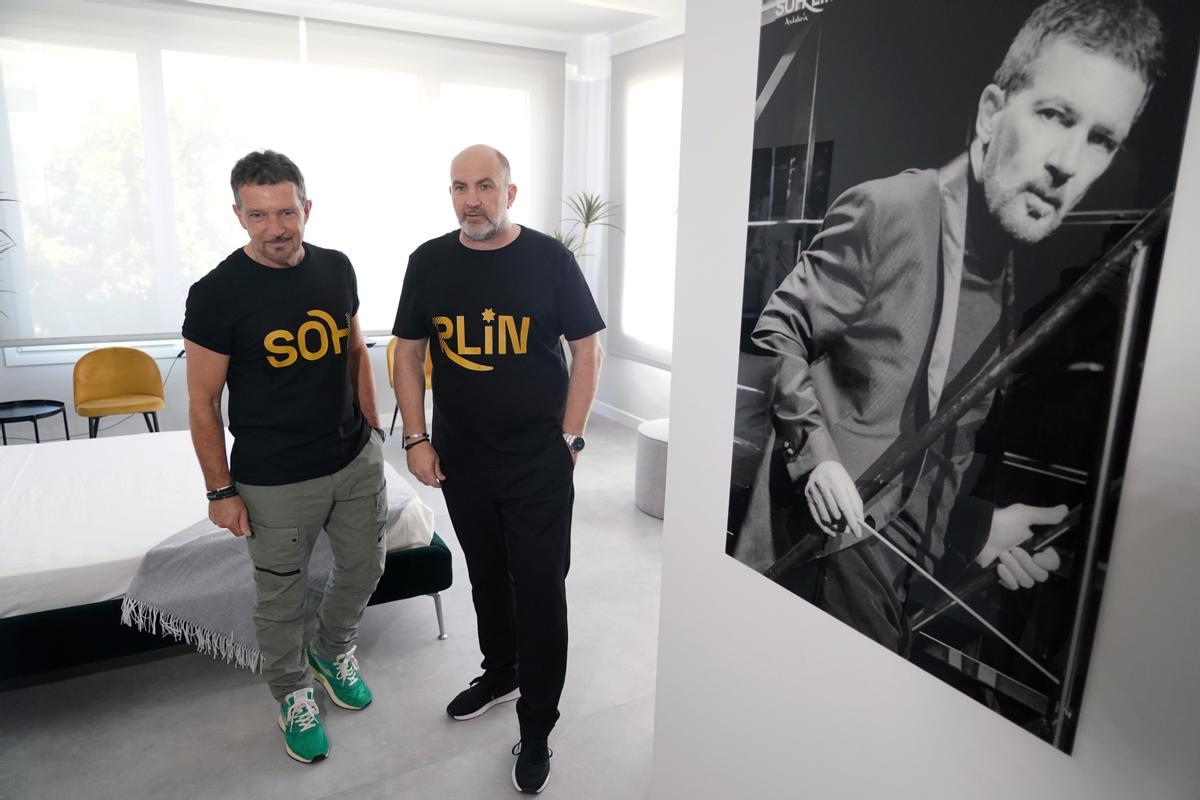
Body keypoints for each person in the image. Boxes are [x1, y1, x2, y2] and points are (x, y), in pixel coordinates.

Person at [732, 0, 1165, 653]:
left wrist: (978, 528)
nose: (1068, 164)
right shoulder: (895, 209)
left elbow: (932, 451)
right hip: (816, 558)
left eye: (1101, 139)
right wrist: (817, 461)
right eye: (1055, 115)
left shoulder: (1010, 274)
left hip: (895, 571)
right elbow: (780, 327)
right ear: (992, 110)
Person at [391, 144, 604, 795]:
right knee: (487, 577)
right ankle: (500, 668)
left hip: (538, 460)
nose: (471, 199)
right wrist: (417, 439)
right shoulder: (428, 262)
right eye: (459, 187)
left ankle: (536, 723)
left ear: (510, 192)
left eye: (485, 186)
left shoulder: (549, 260)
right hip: (461, 457)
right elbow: (407, 354)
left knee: (539, 589)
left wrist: (570, 438)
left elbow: (588, 348)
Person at [183, 150, 387, 764]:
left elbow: (354, 353)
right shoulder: (217, 293)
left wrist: (373, 430)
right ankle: (293, 692)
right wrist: (221, 491)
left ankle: (332, 650)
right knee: (281, 598)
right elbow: (201, 401)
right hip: (273, 478)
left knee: (365, 567)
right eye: (258, 214)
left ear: (306, 207)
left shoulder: (336, 268)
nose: (276, 226)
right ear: (240, 215)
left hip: (352, 460)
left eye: (286, 210)